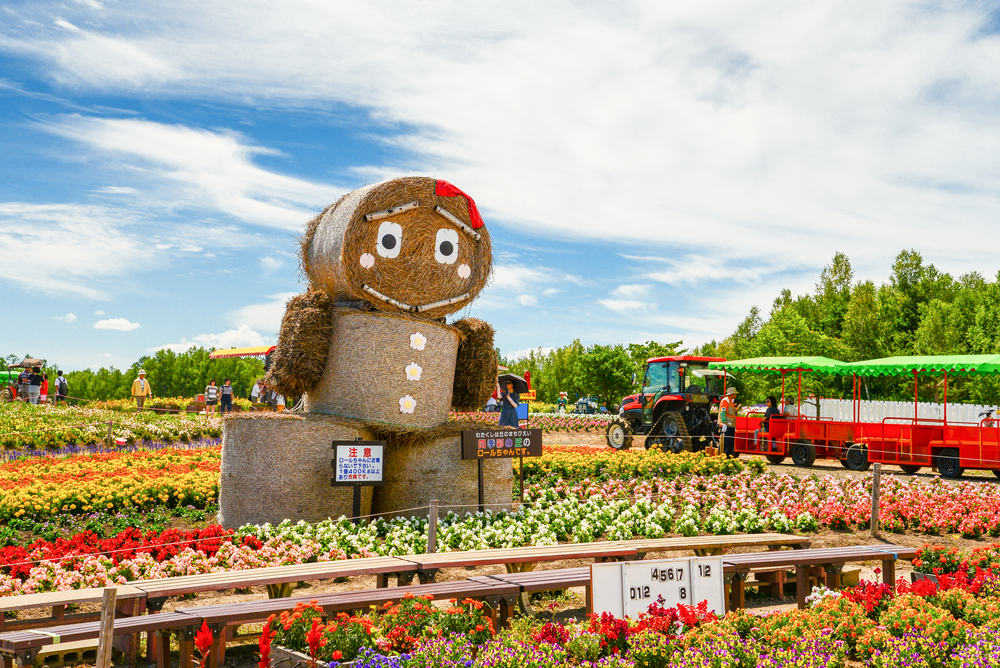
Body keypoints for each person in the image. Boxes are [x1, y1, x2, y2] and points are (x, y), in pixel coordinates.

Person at [718, 387, 738, 458]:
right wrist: (723, 423)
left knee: (730, 442)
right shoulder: (725, 401)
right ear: (731, 394)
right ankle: (723, 456)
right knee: (725, 442)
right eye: (734, 394)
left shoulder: (730, 401)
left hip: (731, 425)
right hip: (726, 425)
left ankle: (728, 456)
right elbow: (723, 412)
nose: (735, 395)